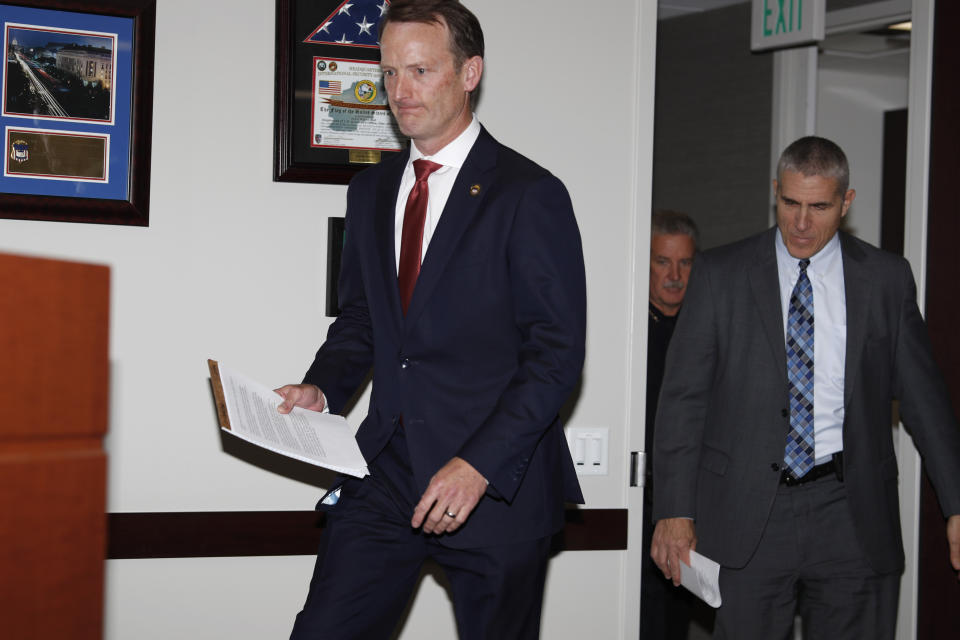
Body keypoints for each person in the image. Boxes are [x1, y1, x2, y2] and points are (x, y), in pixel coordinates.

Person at [276, 2, 586, 639]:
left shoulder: (529, 194)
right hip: (384, 471)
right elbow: (363, 319)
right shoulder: (370, 192)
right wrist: (323, 387)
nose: (399, 92)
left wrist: (477, 465)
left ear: (470, 72)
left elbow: (555, 356)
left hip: (494, 484)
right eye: (388, 73)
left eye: (419, 70)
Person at [650, 136, 960, 639]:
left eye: (818, 207)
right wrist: (674, 511)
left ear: (846, 202)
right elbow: (683, 401)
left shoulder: (885, 280)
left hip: (850, 510)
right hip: (748, 510)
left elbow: (925, 400)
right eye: (790, 202)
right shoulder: (721, 275)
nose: (800, 222)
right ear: (775, 191)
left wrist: (956, 502)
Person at [642, 210, 698, 639]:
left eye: (685, 263)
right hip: (639, 499)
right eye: (663, 261)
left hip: (696, 504)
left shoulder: (706, 329)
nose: (675, 275)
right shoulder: (630, 332)